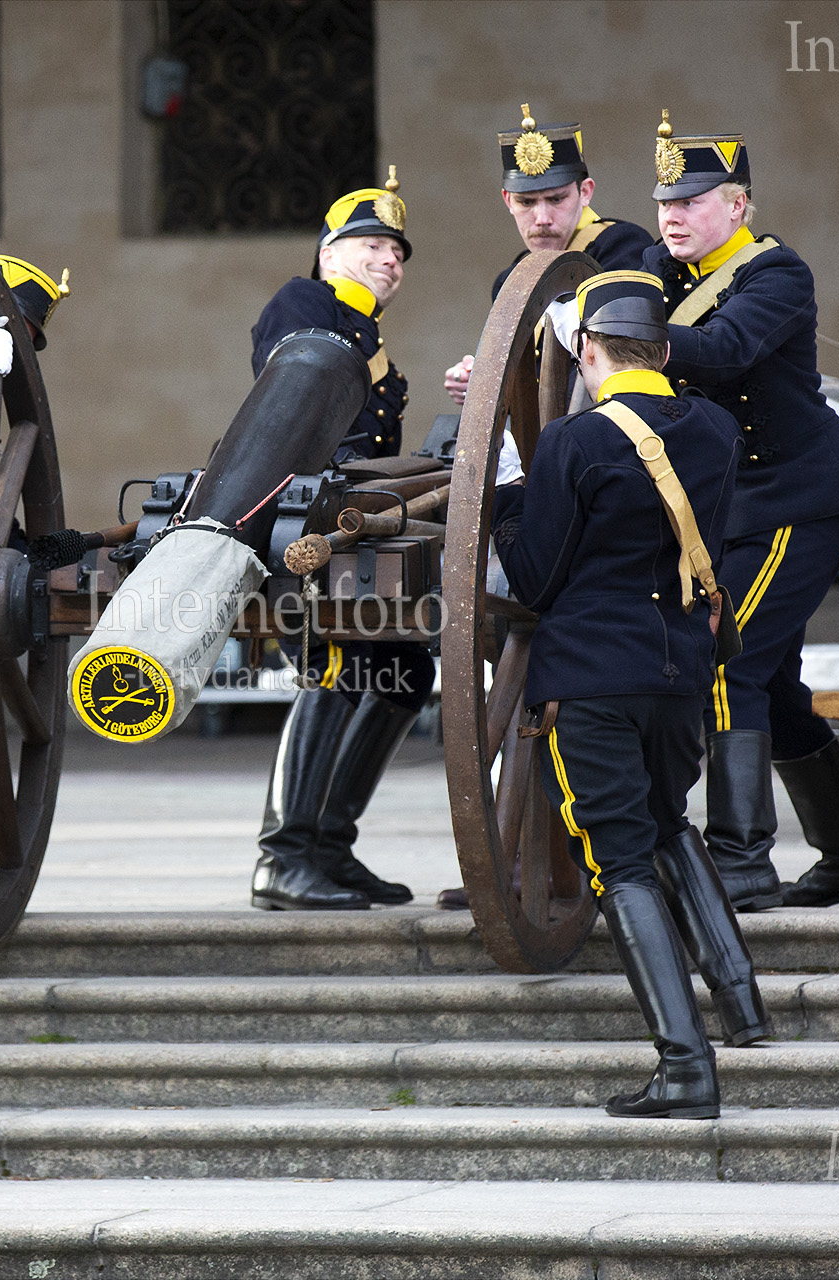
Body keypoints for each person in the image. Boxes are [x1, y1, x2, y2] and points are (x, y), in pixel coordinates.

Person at [492, 270, 770, 1120]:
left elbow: (535, 578)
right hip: (681, 672)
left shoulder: (577, 442)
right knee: (666, 823)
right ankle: (740, 1001)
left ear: (588, 349)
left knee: (618, 860)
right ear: (663, 348)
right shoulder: (717, 430)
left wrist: (509, 495)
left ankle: (685, 1067)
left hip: (593, 678)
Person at [643, 111, 839, 910]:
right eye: (667, 201)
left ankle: (740, 860)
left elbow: (730, 349)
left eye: (694, 201)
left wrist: (629, 337)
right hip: (731, 508)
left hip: (796, 497)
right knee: (771, 688)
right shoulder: (656, 270)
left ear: (737, 207)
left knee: (728, 658)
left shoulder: (777, 274)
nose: (673, 216)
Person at [246, 169, 432, 911]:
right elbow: (299, 394)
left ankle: (330, 844)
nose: (390, 260)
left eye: (397, 252)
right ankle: (282, 858)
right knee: (333, 668)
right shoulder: (305, 303)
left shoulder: (370, 338)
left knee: (404, 670)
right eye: (371, 246)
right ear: (328, 253)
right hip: (300, 527)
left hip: (355, 535)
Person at [443, 103, 655, 407]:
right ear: (507, 200)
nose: (542, 217)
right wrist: (477, 379)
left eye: (556, 199)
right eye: (526, 202)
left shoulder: (622, 246)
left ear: (585, 192)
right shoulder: (511, 278)